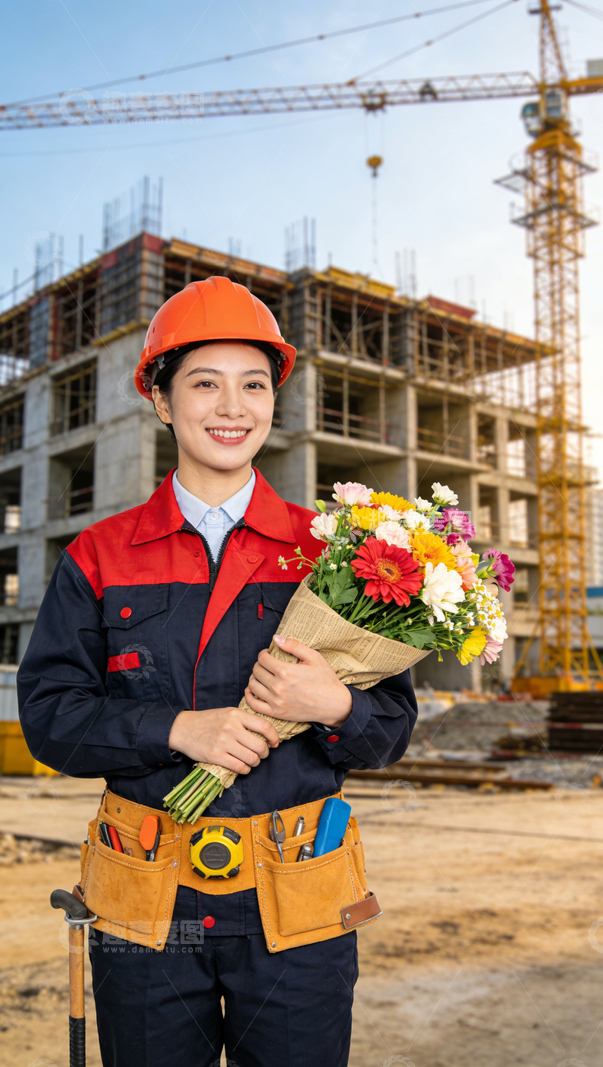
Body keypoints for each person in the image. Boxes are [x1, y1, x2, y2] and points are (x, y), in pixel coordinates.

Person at [17, 276, 417, 1067]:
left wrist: (335, 702)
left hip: (298, 900)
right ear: (162, 401)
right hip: (147, 901)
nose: (232, 406)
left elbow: (392, 732)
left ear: (274, 400)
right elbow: (49, 718)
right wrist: (176, 728)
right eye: (204, 382)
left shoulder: (337, 552)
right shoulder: (98, 555)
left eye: (253, 384)